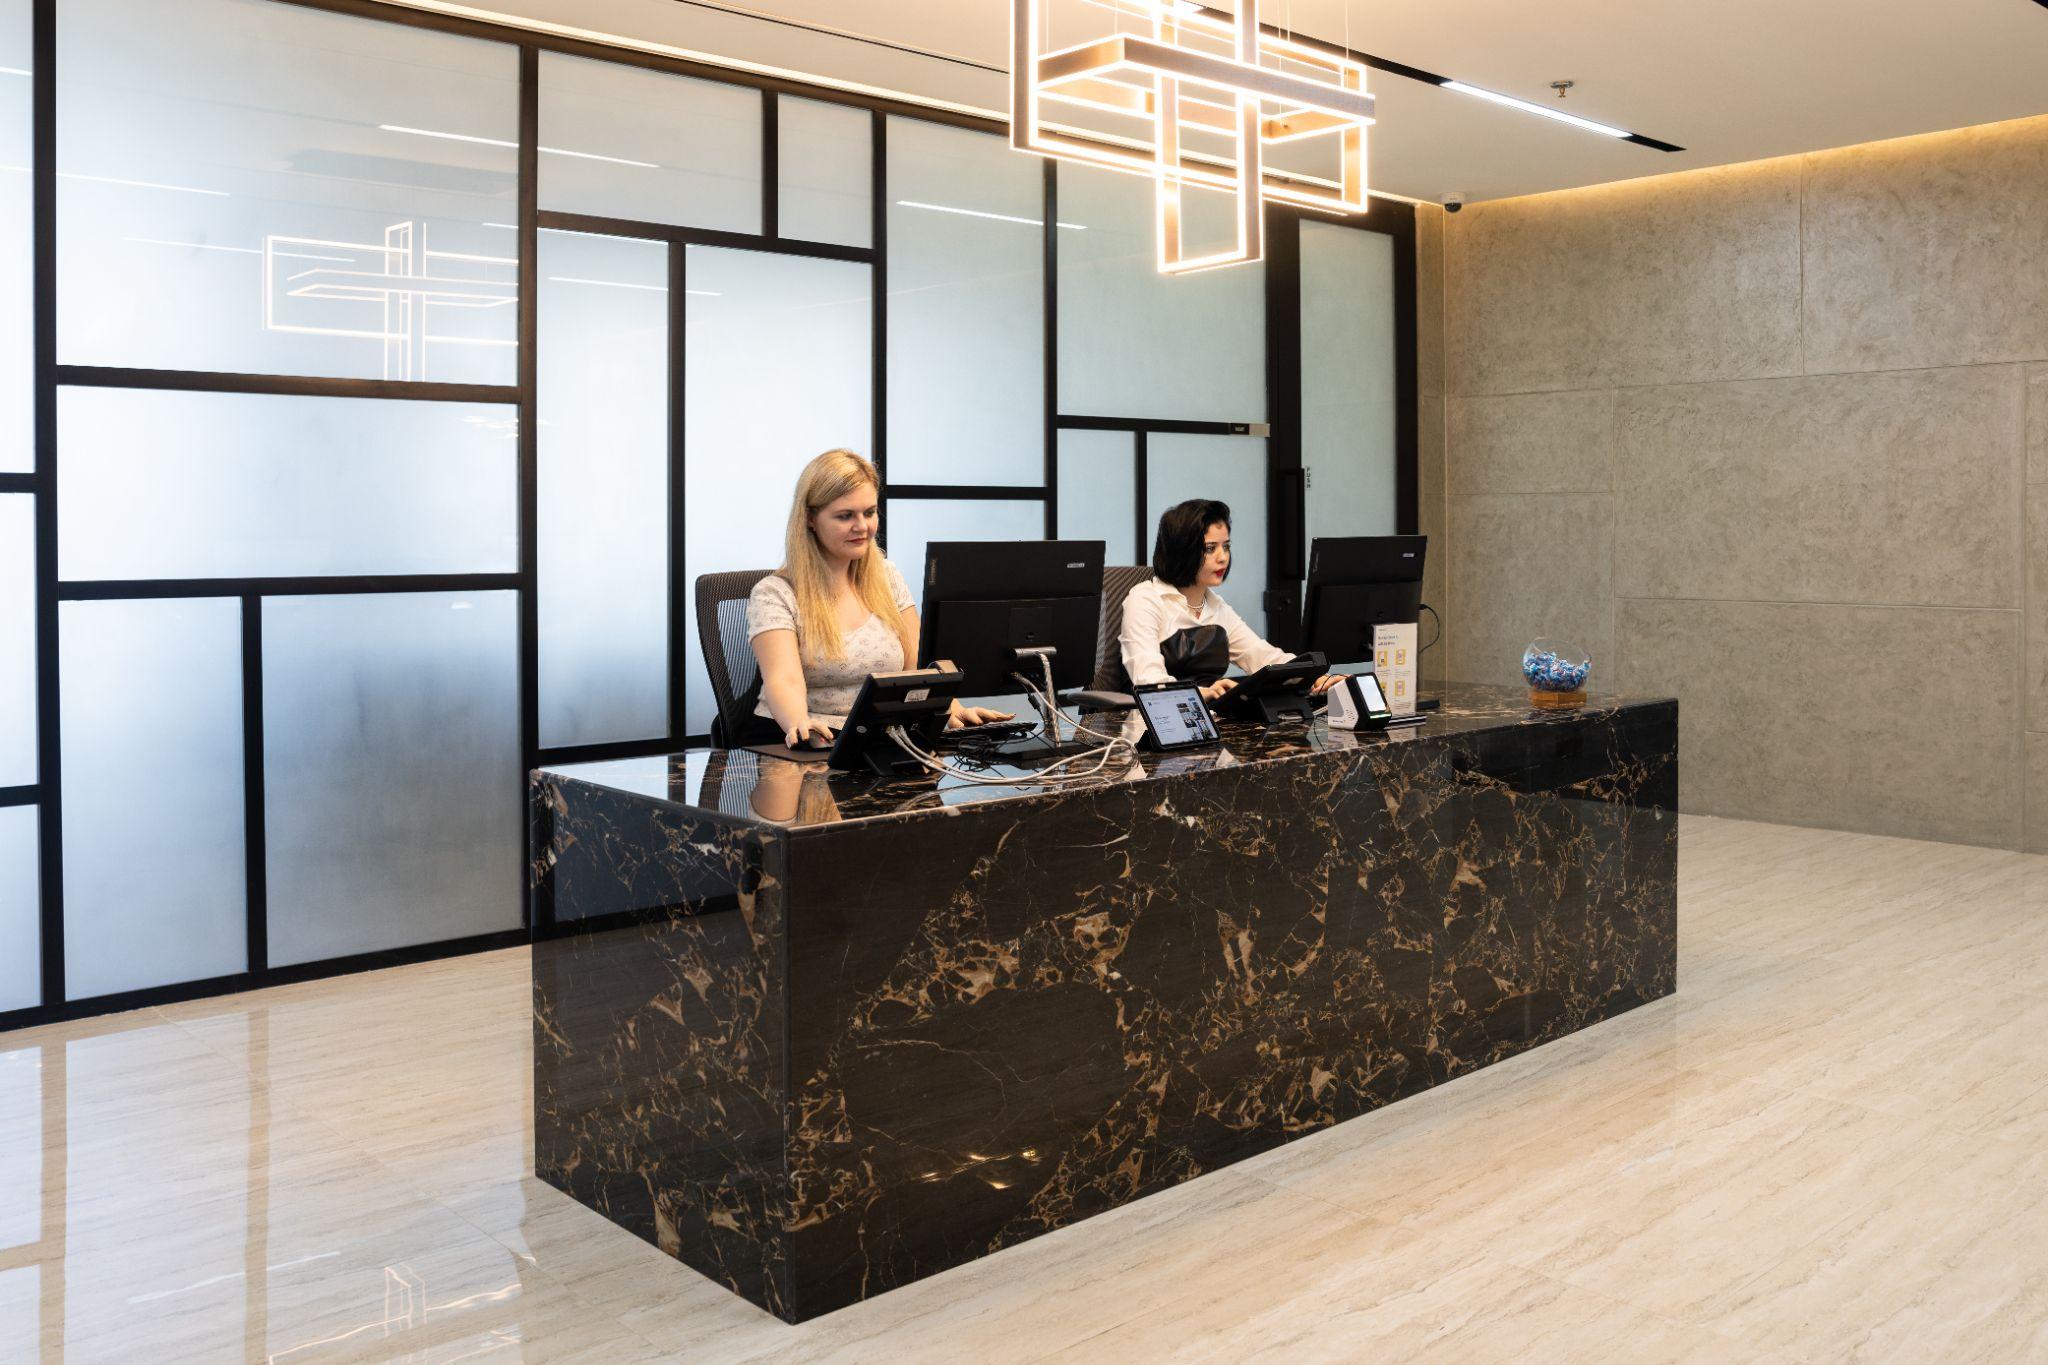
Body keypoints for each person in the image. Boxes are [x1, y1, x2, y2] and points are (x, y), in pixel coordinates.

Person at [742, 449, 1010, 749]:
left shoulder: (886, 575)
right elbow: (784, 679)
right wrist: (798, 723)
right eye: (845, 516)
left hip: (879, 732)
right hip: (805, 737)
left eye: (869, 513)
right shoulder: (774, 593)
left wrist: (952, 709)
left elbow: (917, 664)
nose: (862, 526)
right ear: (810, 519)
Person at [1119, 498, 1340, 703]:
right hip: (1152, 721)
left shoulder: (1216, 606)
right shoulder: (1145, 599)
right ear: (1182, 551)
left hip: (1209, 717)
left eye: (1226, 546)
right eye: (1210, 548)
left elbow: (1262, 656)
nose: (1223, 557)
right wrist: (1201, 693)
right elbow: (1148, 680)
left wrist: (1317, 677)